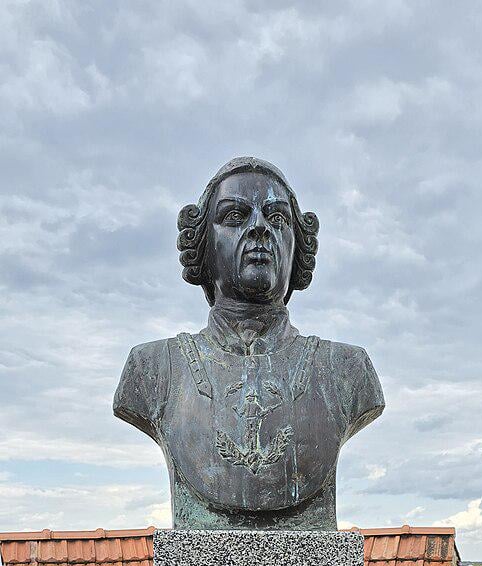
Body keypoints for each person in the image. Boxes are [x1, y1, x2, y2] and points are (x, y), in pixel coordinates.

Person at [114, 156, 384, 529]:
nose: (259, 227)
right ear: (203, 245)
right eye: (235, 216)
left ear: (297, 247)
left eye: (277, 218)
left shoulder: (346, 370)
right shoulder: (153, 368)